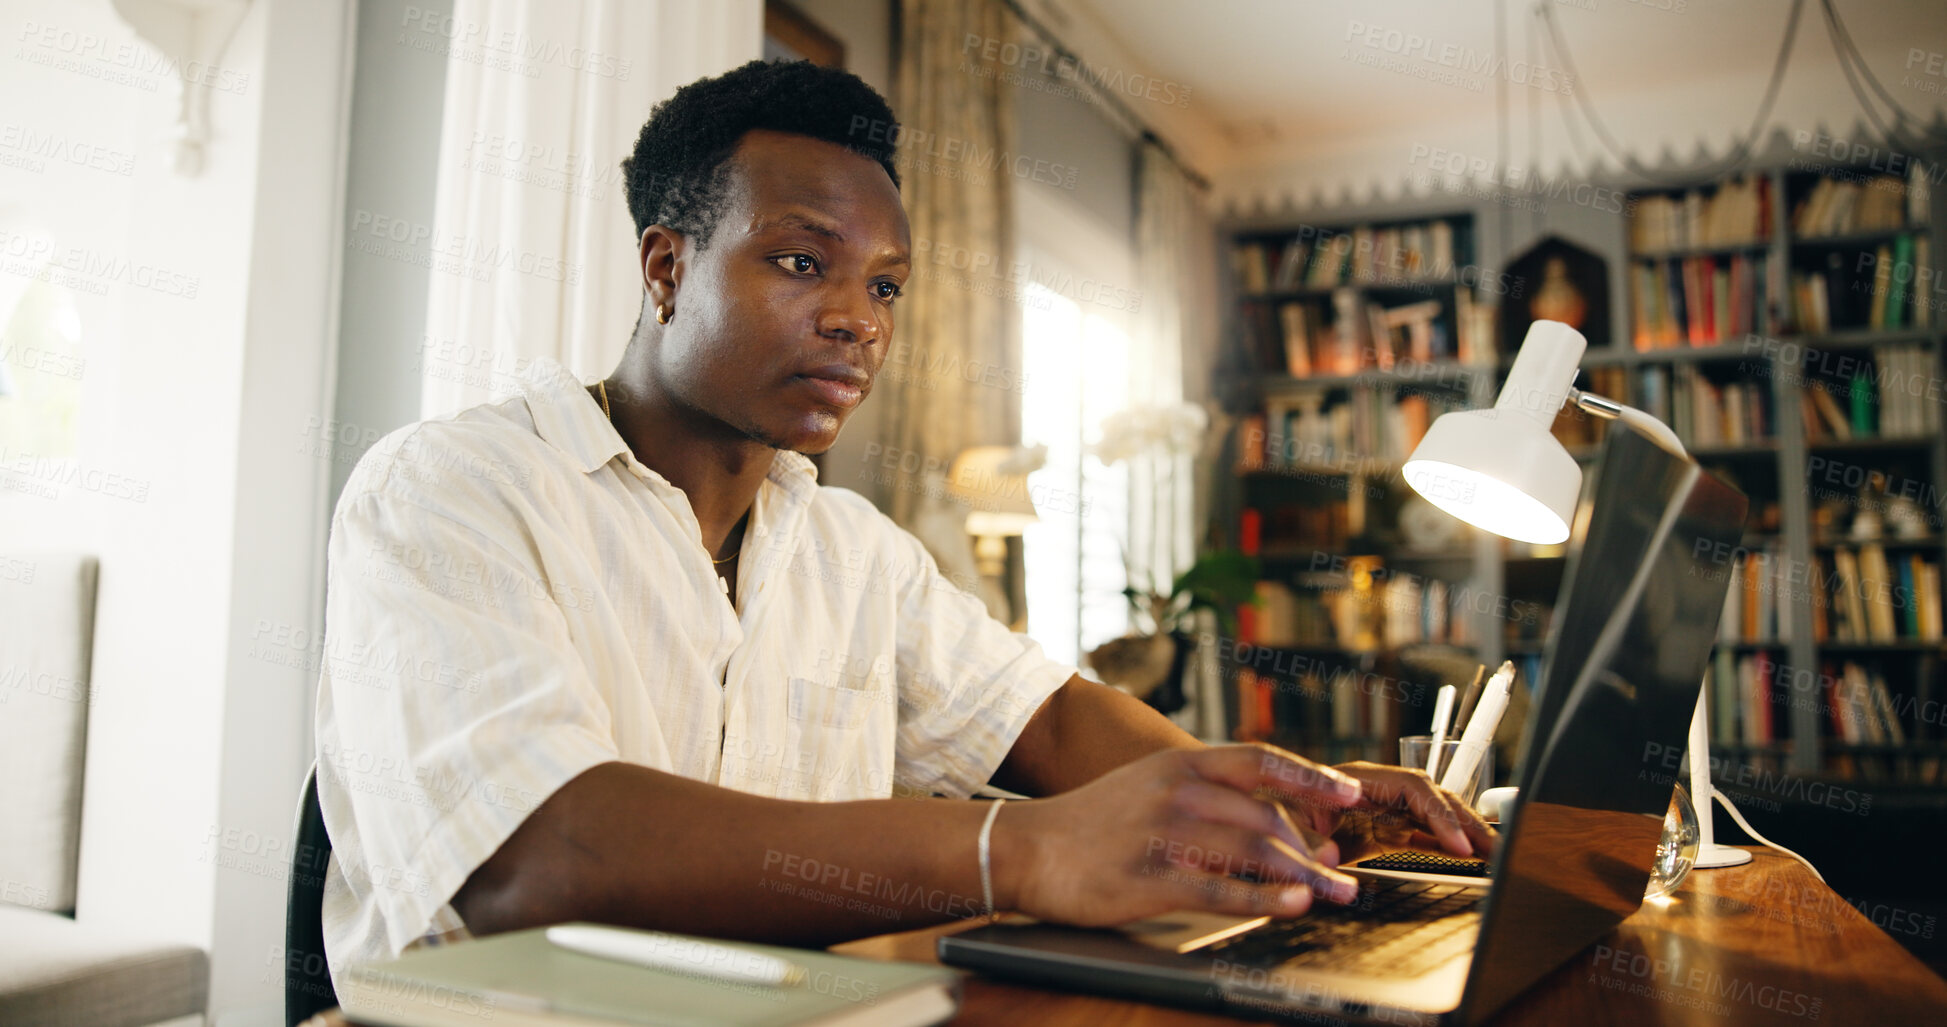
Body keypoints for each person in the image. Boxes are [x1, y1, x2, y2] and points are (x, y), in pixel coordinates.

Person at [312, 58, 1492, 991]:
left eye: (883, 286)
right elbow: (537, 859)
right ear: (666, 269)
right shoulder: (448, 490)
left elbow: (1054, 720)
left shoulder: (854, 554)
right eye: (799, 262)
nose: (858, 321)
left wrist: (1296, 796)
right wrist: (1020, 851)